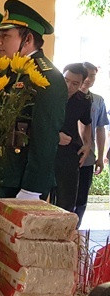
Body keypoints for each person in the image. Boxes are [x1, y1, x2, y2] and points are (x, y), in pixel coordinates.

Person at [0, 0, 68, 199]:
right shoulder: (12, 71)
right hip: (4, 177)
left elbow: (45, 137)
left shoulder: (47, 77)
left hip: (23, 184)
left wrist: (31, 190)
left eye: (6, 36)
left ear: (27, 40)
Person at [52, 63, 92, 212]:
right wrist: (55, 137)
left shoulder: (83, 100)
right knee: (40, 197)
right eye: (66, 80)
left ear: (82, 84)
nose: (69, 86)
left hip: (69, 153)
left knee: (66, 202)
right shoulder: (48, 94)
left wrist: (87, 144)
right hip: (47, 148)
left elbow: (87, 123)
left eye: (75, 83)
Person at [75, 62, 108, 225]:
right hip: (67, 155)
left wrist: (100, 156)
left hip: (88, 158)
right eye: (86, 75)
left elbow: (100, 129)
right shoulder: (67, 96)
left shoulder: (98, 100)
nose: (89, 79)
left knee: (81, 199)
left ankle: (76, 230)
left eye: (92, 75)